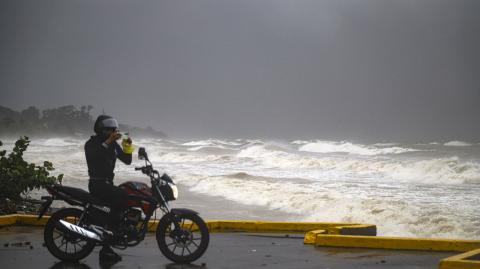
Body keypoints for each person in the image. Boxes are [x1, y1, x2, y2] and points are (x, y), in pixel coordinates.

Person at [85, 115, 134, 262]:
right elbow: (96, 155)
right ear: (100, 130)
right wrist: (110, 141)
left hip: (107, 183)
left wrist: (127, 145)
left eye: (113, 130)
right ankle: (109, 239)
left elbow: (127, 160)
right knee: (123, 196)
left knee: (126, 194)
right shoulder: (91, 144)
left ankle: (111, 232)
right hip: (97, 184)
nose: (112, 132)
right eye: (109, 130)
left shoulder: (112, 145)